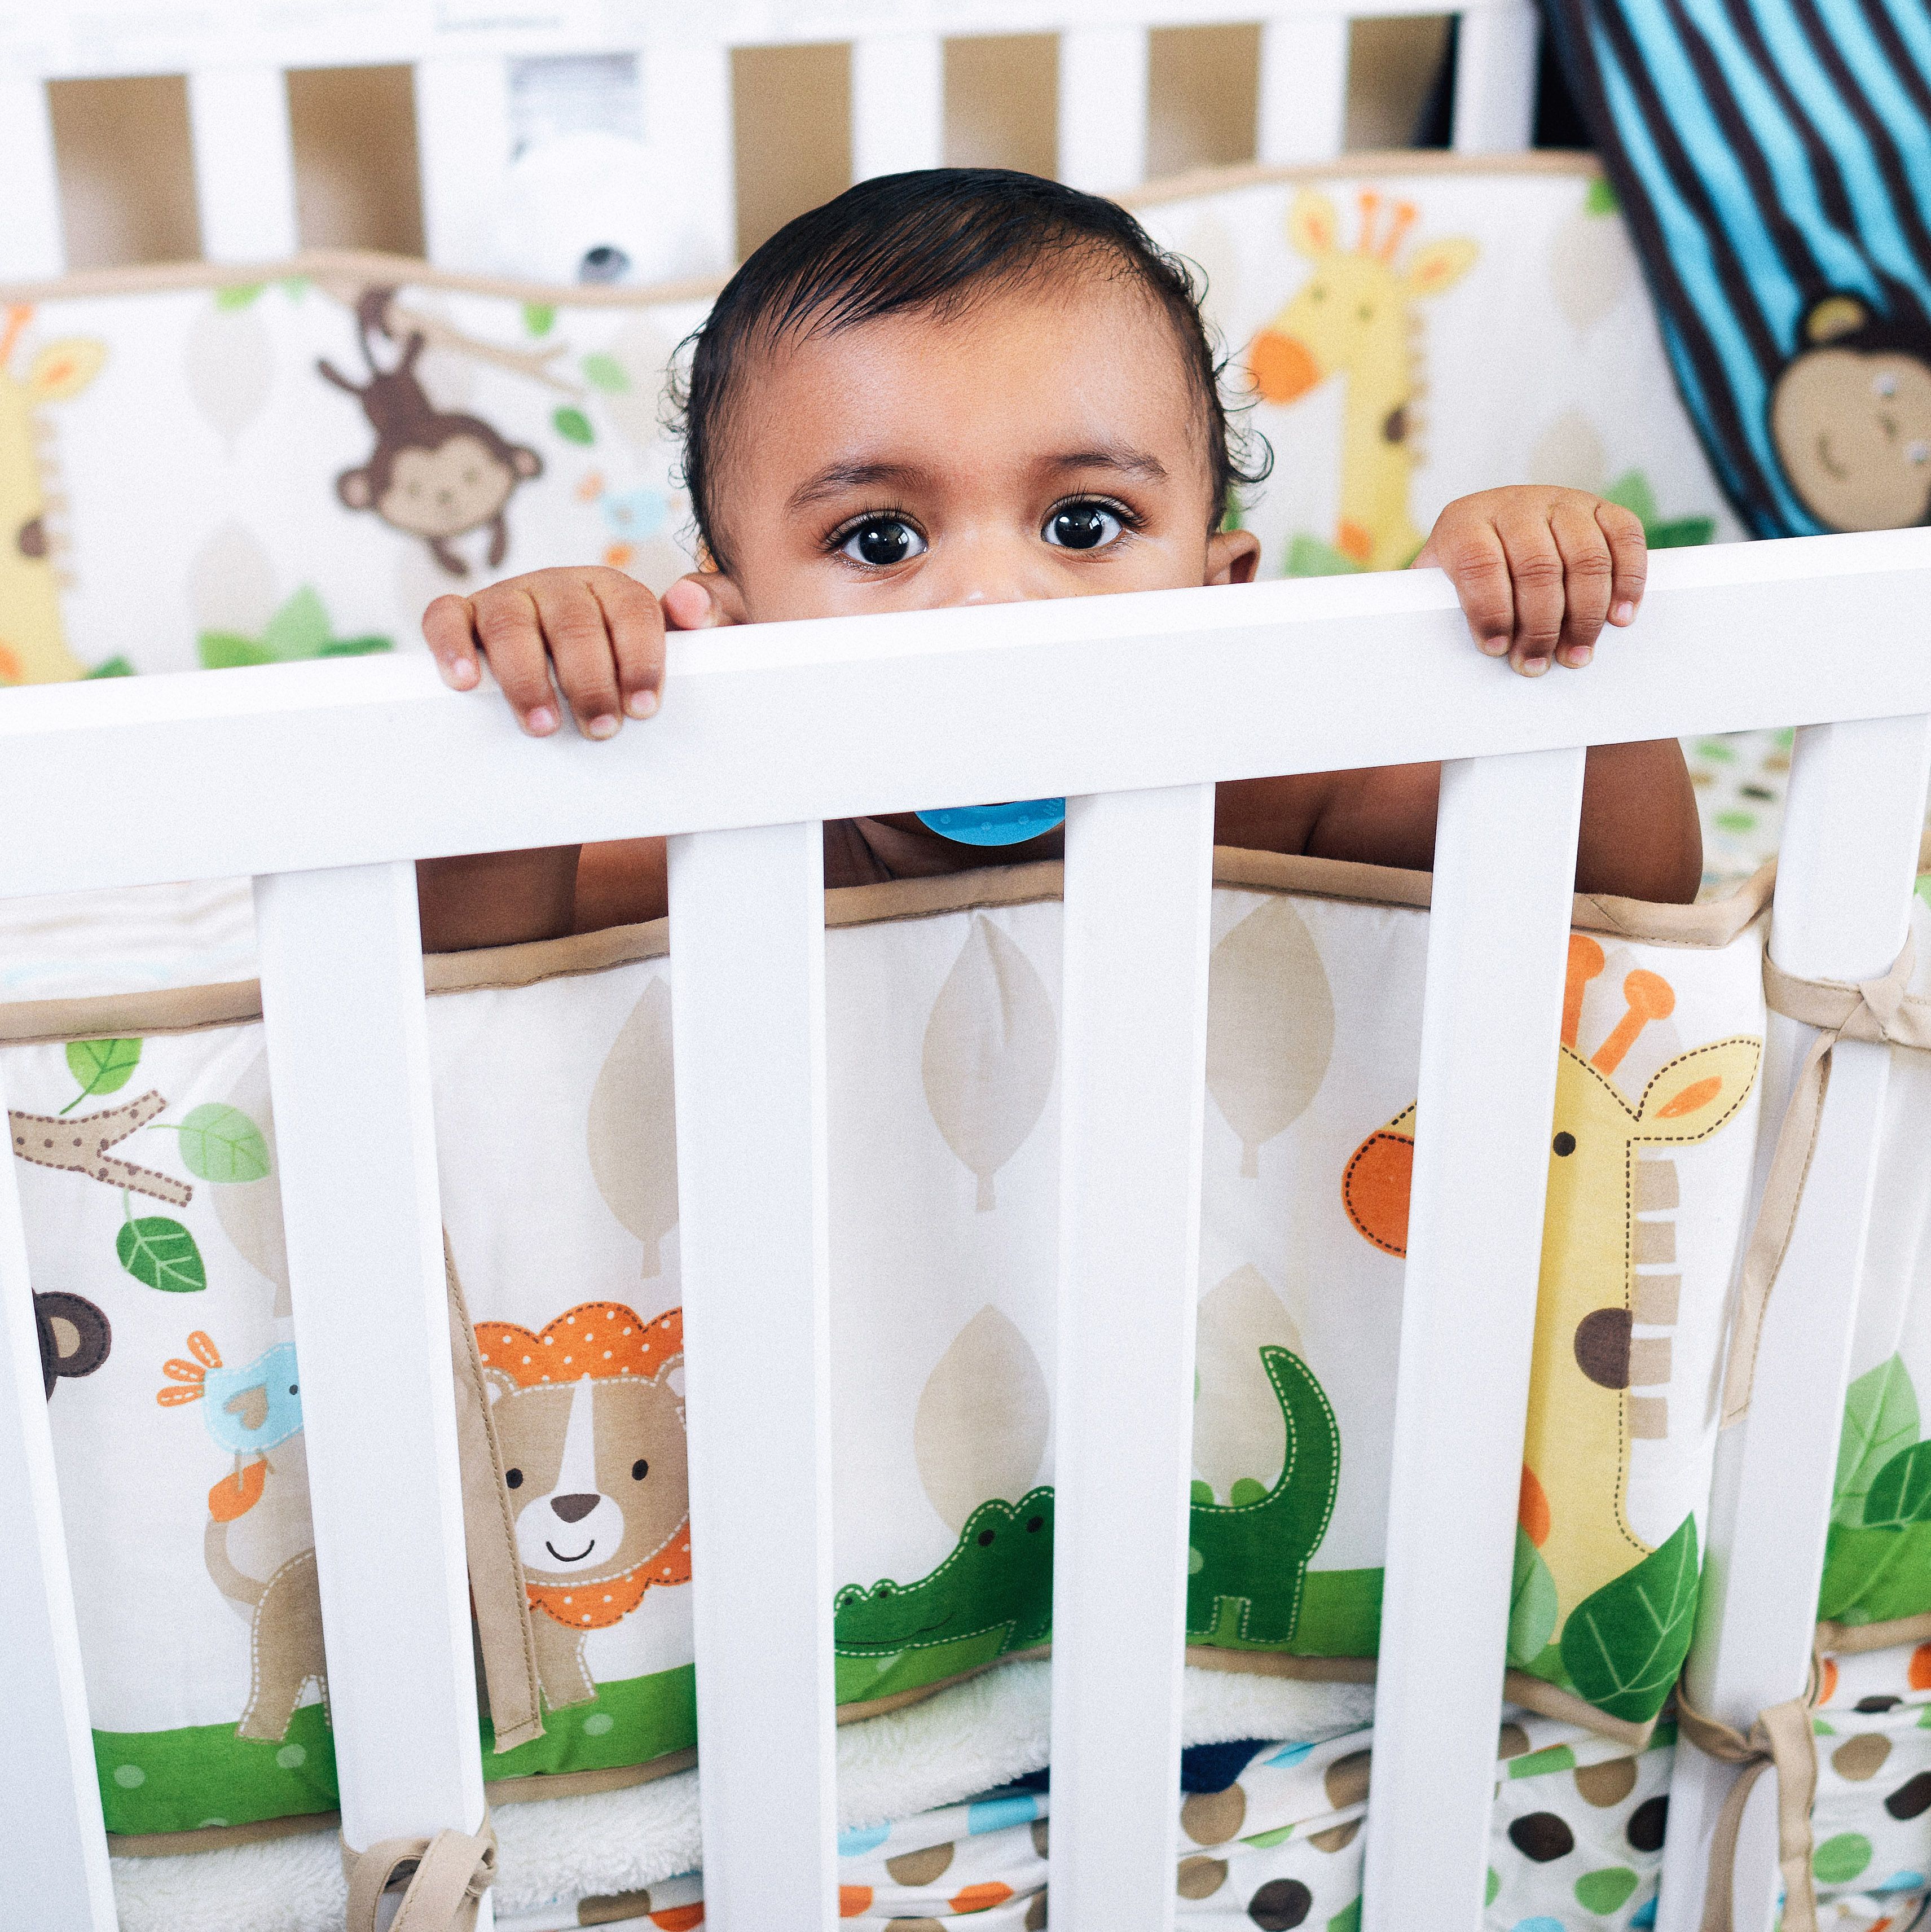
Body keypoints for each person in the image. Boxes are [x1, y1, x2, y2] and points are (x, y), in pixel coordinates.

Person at [416, 169, 1700, 951]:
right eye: (880, 537)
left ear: (1218, 588)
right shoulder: (727, 844)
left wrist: (1542, 633)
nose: (989, 598)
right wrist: (535, 691)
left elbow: (1626, 889)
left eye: (1082, 524)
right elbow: (464, 968)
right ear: (728, 620)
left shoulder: (1283, 797)